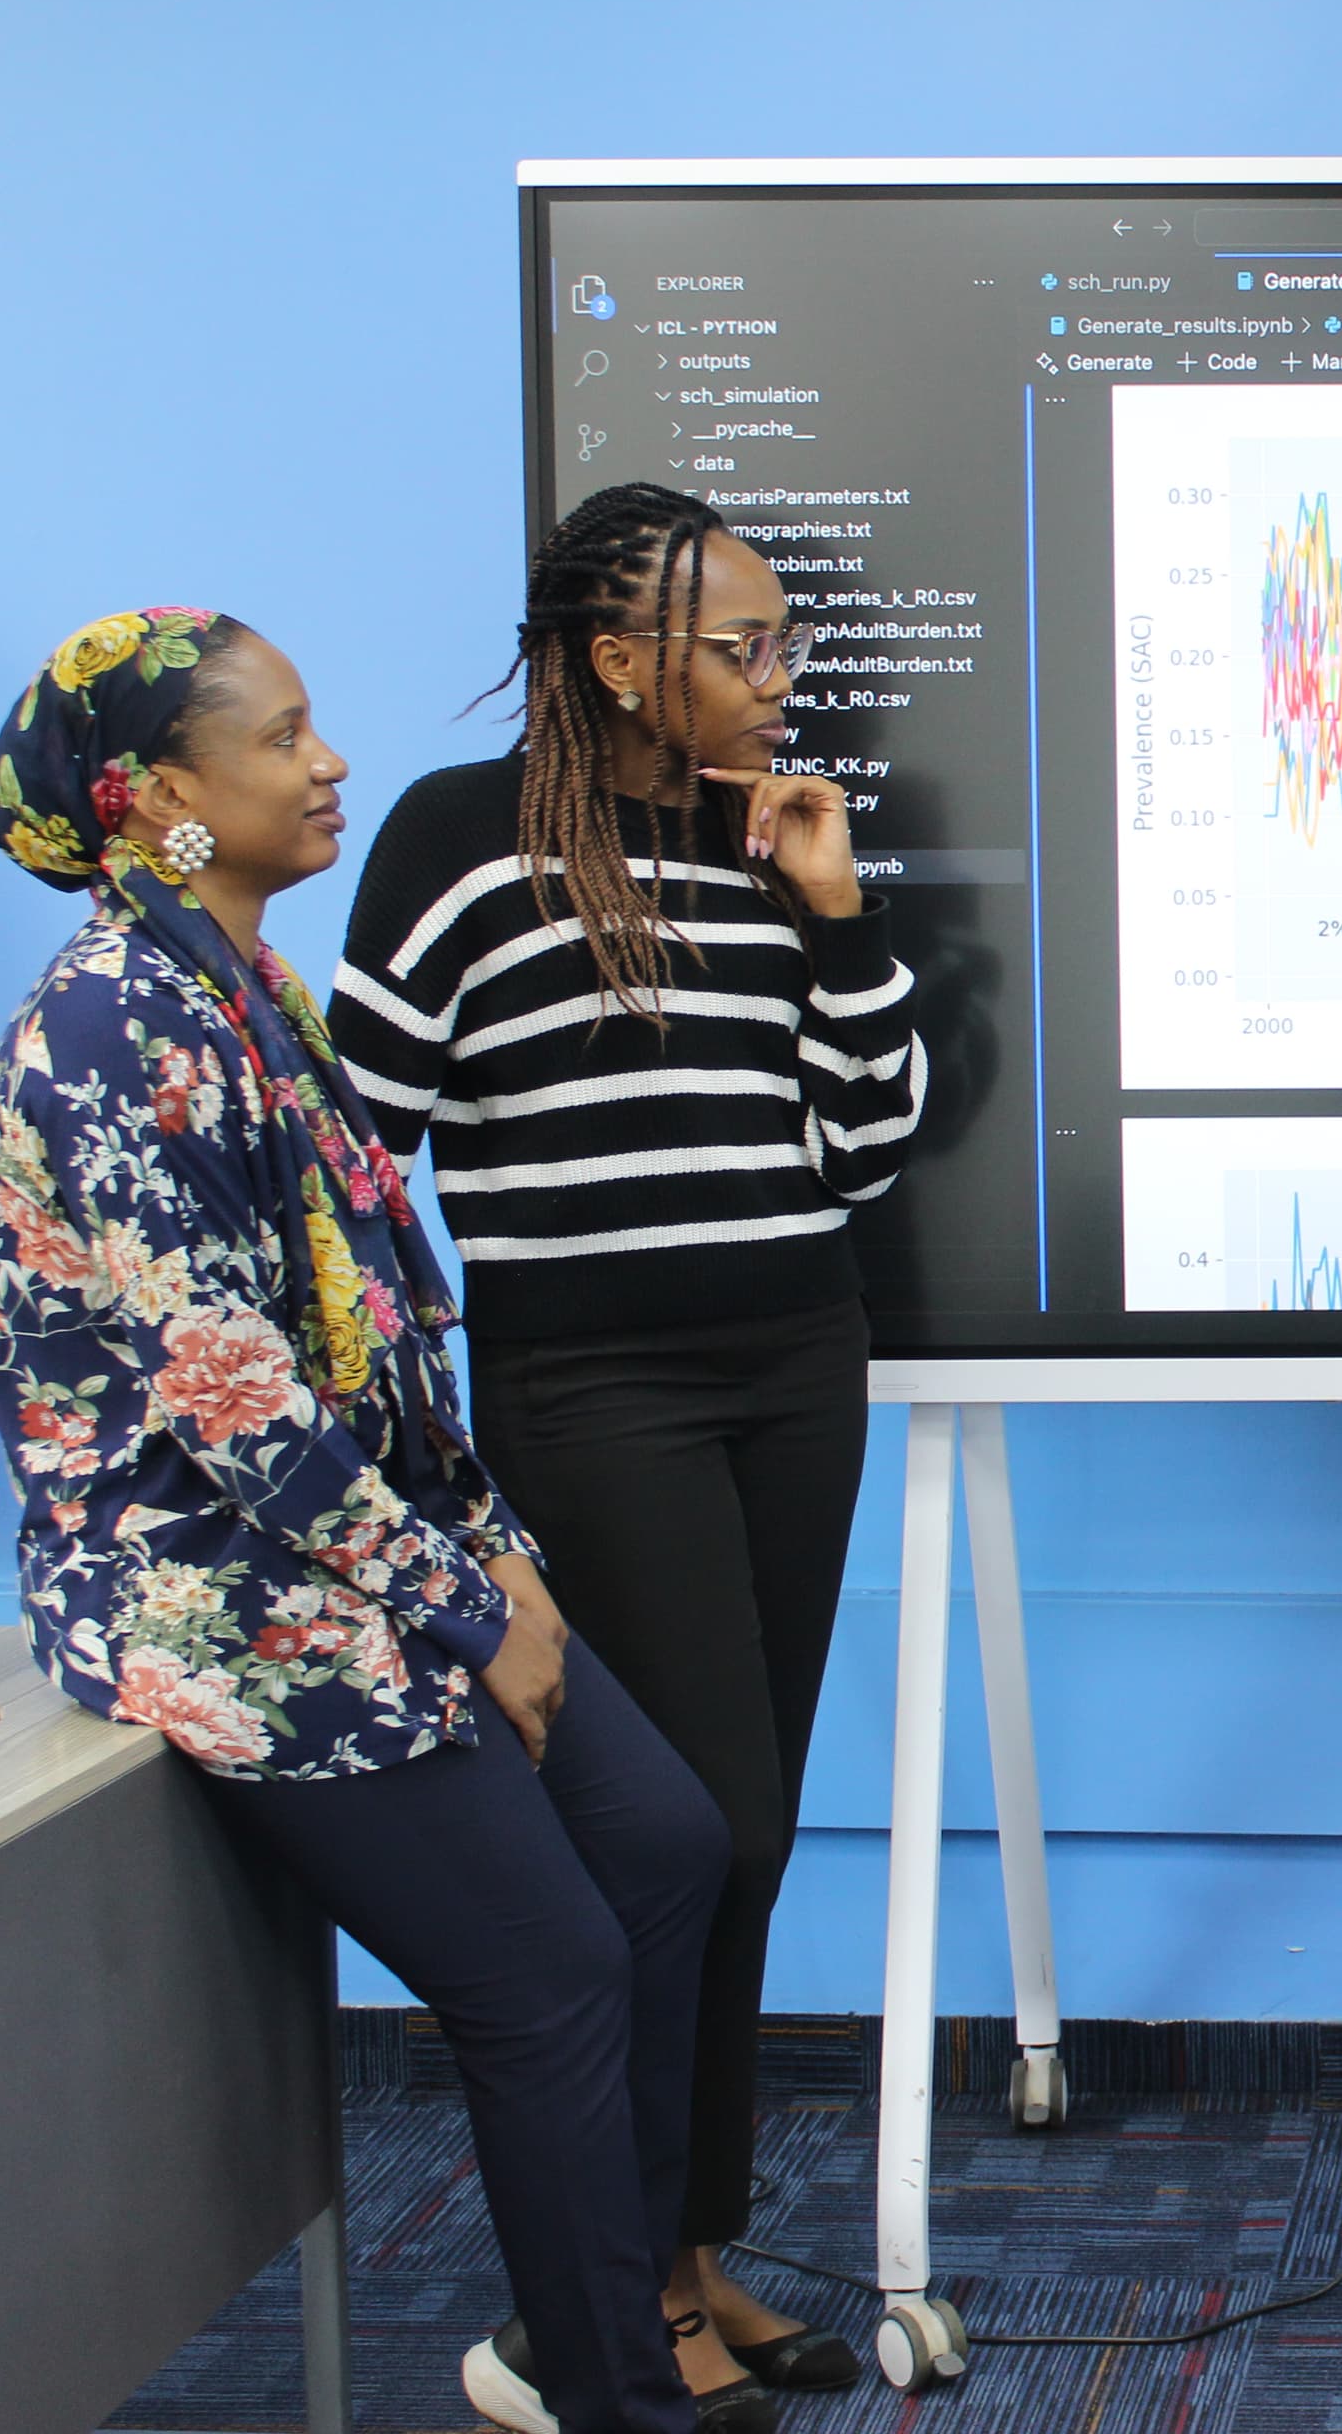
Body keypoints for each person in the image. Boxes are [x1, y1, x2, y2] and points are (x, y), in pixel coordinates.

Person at [0, 609, 742, 2434]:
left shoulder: (255, 993)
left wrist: (503, 1568)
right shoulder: (109, 1030)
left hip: (374, 1554)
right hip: (212, 1591)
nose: (329, 764)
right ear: (155, 794)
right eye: (282, 737)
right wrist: (472, 1618)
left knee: (666, 1849)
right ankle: (614, 2390)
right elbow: (239, 1410)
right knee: (548, 1968)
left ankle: (586, 2333)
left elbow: (385, 1337)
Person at [332, 483, 928, 2400]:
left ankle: (684, 2257)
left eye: (785, 644)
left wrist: (839, 915)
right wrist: (412, 1439)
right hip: (595, 1394)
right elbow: (354, 1153)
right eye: (742, 647)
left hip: (797, 1364)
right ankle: (607, 2301)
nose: (779, 678)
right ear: (612, 660)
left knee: (746, 1843)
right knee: (700, 1829)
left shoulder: (769, 841)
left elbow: (866, 1145)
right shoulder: (456, 838)